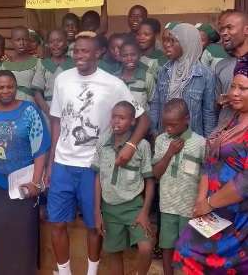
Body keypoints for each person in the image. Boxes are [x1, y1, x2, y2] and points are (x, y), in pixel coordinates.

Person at [47, 31, 150, 275]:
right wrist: (52, 160)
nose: (79, 55)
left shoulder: (113, 84)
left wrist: (130, 146)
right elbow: (56, 121)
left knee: (94, 225)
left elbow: (143, 119)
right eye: (76, 51)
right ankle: (64, 272)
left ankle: (91, 272)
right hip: (63, 163)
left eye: (84, 51)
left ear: (98, 53)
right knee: (57, 223)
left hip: (94, 167)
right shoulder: (62, 79)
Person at [173, 54, 248, 275]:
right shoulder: (233, 120)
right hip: (214, 212)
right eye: (233, 86)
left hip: (238, 220)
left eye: (243, 89)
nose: (234, 93)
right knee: (186, 254)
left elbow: (244, 183)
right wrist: (201, 200)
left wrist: (209, 203)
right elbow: (210, 161)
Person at [0, 70, 50, 275]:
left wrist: (35, 183)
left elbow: (40, 149)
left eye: (10, 86)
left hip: (25, 186)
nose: (5, 91)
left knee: (24, 235)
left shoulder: (30, 111)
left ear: (16, 87)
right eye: (0, 87)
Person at [93, 101, 154, 275]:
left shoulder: (141, 146)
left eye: (122, 118)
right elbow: (98, 178)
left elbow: (149, 181)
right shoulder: (103, 142)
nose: (116, 121)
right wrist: (97, 212)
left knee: (146, 246)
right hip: (109, 207)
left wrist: (144, 211)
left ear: (133, 121)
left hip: (133, 206)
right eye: (114, 117)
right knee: (114, 253)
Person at [152, 99, 205, 275]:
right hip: (167, 206)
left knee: (188, 249)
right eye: (165, 124)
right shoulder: (161, 140)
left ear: (187, 119)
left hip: (190, 209)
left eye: (173, 125)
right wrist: (169, 153)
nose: (168, 129)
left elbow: (206, 176)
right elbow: (156, 174)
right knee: (166, 246)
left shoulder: (200, 143)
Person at [150, 23, 217, 138]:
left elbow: (208, 112)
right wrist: (154, 131)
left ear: (186, 44)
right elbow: (156, 104)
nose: (166, 45)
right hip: (165, 137)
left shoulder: (205, 75)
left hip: (191, 141)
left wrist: (208, 142)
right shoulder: (164, 71)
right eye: (165, 41)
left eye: (173, 41)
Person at [32, 29, 74, 119]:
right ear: (47, 44)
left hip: (71, 108)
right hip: (48, 109)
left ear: (66, 42)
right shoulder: (43, 64)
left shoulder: (73, 64)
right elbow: (37, 92)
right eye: (51, 42)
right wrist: (48, 112)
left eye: (59, 41)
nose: (55, 45)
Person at [215, 10, 248, 123]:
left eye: (229, 27)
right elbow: (216, 104)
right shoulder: (220, 66)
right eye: (222, 29)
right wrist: (221, 100)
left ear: (246, 30)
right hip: (225, 132)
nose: (224, 33)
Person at [2, 26, 38, 102]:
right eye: (17, 40)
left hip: (30, 105)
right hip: (9, 105)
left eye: (24, 39)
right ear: (11, 41)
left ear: (29, 41)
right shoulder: (5, 64)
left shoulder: (37, 63)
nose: (21, 43)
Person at [119, 41, 155, 111]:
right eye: (125, 56)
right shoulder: (115, 78)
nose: (129, 59)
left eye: (133, 55)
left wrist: (151, 120)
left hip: (141, 120)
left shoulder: (147, 78)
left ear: (139, 55)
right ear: (120, 57)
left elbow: (153, 103)